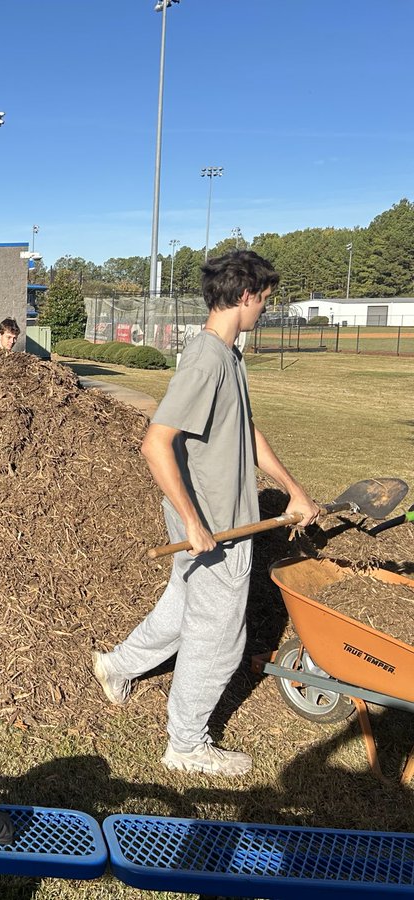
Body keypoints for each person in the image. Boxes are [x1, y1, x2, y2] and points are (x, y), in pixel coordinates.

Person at [91, 250, 320, 777]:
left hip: (209, 518)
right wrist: (194, 521)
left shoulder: (226, 357)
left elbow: (246, 434)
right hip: (215, 524)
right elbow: (155, 444)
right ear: (245, 296)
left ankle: (117, 665)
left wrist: (293, 489)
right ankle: (187, 743)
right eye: (262, 299)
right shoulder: (207, 359)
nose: (263, 309)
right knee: (219, 637)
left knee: (184, 608)